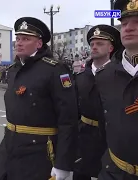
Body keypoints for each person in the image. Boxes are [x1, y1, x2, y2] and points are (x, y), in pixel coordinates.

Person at [0, 17, 79, 180]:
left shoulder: (54, 69)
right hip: (9, 144)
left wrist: (63, 163)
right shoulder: (14, 69)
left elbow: (68, 119)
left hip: (38, 150)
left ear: (39, 44)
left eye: (26, 39)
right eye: (18, 38)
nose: (19, 43)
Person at [95, 0, 138, 179]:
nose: (128, 28)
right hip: (114, 171)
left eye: (137, 22)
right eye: (124, 23)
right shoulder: (105, 75)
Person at [73, 25, 121, 180]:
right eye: (92, 44)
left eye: (100, 43)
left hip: (109, 139)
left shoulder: (119, 74)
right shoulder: (81, 76)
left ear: (111, 48)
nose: (94, 47)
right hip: (84, 138)